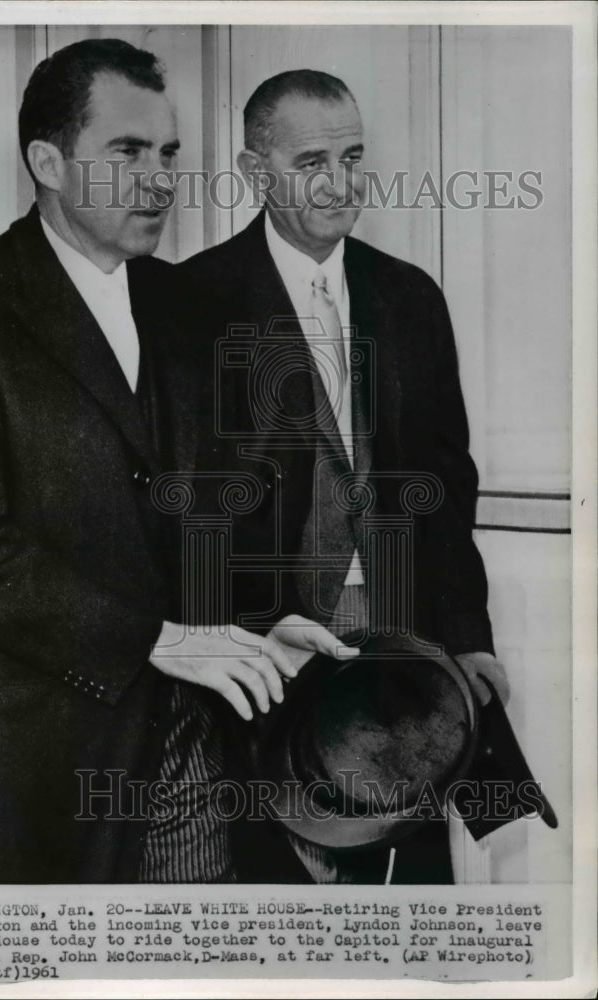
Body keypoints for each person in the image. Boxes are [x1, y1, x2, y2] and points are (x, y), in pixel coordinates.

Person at [0, 39, 319, 884]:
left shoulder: (185, 305)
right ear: (47, 160)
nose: (158, 178)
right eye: (127, 151)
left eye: (168, 154)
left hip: (183, 752)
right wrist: (153, 638)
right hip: (21, 774)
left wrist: (262, 619)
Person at [179, 69, 510, 883]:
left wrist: (465, 637)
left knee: (402, 886)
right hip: (266, 647)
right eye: (311, 162)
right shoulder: (189, 301)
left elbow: (447, 481)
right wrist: (239, 637)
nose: (340, 183)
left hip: (404, 646)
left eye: (354, 157)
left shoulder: (408, 296)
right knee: (271, 890)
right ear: (257, 172)